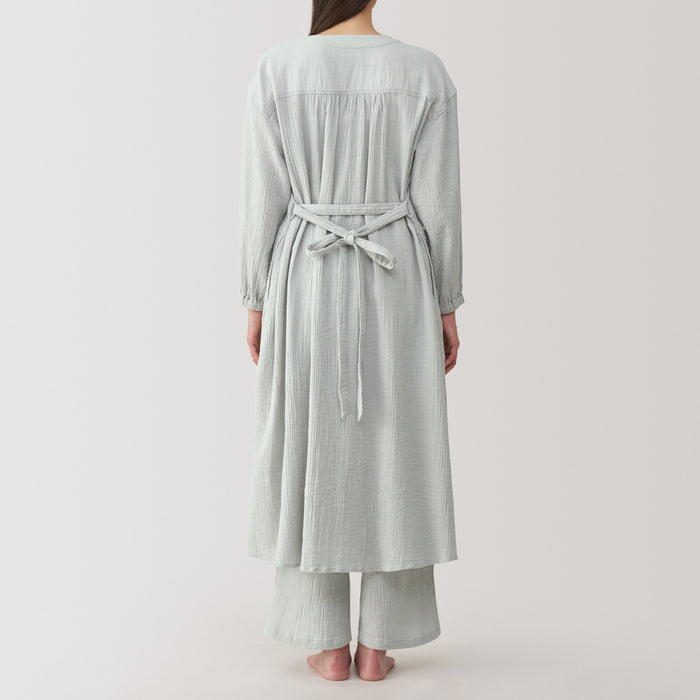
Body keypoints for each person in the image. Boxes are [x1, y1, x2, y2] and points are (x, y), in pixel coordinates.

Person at [238, 0, 463, 682]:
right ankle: (379, 642)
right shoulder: (423, 72)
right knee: (398, 448)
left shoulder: (277, 70)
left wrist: (255, 297)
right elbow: (440, 203)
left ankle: (324, 640)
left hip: (304, 272)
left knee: (308, 442)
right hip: (399, 275)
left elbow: (262, 196)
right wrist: (447, 302)